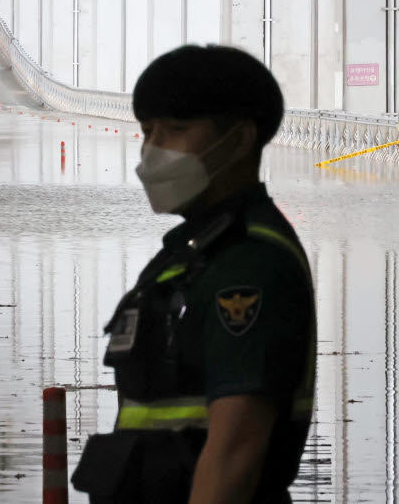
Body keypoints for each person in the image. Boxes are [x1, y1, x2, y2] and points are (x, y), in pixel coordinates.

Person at [71, 45, 316, 504]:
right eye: (147, 131)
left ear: (239, 141)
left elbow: (234, 449)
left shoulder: (249, 263)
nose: (152, 151)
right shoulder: (191, 254)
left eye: (176, 130)